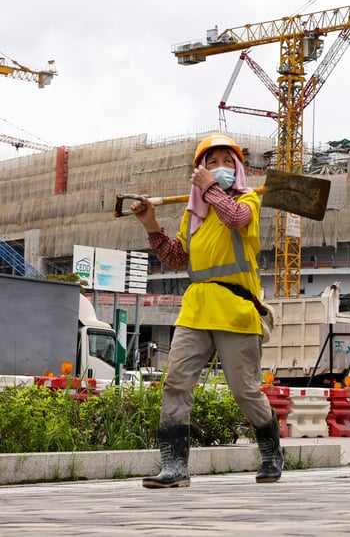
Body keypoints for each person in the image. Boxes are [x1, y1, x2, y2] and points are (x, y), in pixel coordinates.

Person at [130, 133, 282, 488]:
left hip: (236, 309)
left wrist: (210, 187)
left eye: (226, 162)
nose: (218, 169)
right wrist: (150, 223)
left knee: (245, 390)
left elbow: (233, 218)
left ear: (238, 168)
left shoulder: (248, 202)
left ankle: (272, 453)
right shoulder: (192, 215)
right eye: (209, 163)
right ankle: (175, 468)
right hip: (196, 310)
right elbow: (176, 258)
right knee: (175, 382)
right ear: (198, 171)